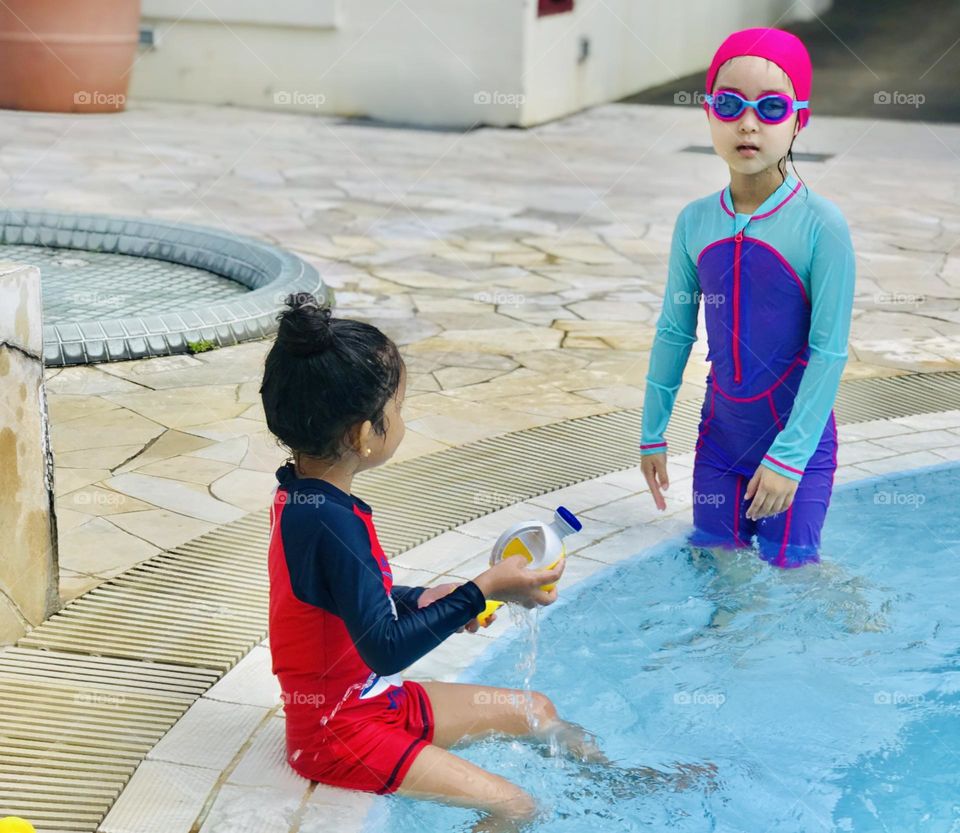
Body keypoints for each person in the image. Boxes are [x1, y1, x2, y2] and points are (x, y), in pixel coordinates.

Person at [260, 294, 604, 832]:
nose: (402, 420)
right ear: (362, 435)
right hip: (337, 733)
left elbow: (350, 598)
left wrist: (423, 598)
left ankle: (621, 788)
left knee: (536, 709)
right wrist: (483, 587)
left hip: (371, 704)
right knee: (516, 807)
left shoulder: (304, 497)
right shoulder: (328, 521)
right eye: (397, 409)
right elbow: (385, 647)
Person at [640, 27, 856, 568]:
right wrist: (652, 433)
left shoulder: (821, 226)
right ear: (709, 112)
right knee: (718, 577)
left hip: (796, 449)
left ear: (800, 119)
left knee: (794, 581)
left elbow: (828, 352)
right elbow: (674, 331)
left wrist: (788, 459)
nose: (749, 123)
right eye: (731, 104)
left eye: (772, 107)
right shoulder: (695, 221)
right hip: (720, 445)